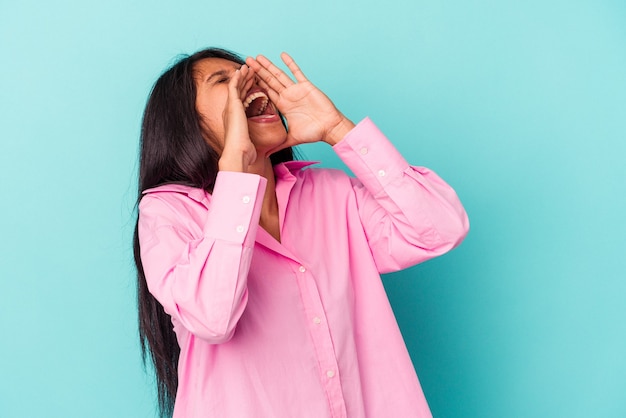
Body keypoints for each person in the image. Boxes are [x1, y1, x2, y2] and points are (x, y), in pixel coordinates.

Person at [133, 47, 469, 418]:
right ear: (188, 123)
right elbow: (212, 318)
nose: (251, 82)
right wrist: (235, 173)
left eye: (250, 74)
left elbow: (440, 229)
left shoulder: (331, 193)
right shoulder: (166, 211)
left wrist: (337, 128)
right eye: (225, 81)